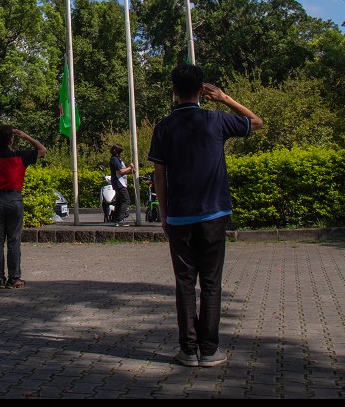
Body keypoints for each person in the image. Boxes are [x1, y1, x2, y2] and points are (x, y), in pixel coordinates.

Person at [147, 63, 263, 368]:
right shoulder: (217, 120)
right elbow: (256, 122)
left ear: (173, 91)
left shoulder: (163, 127)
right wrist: (224, 98)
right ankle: (210, 350)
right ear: (202, 90)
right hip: (214, 213)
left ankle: (188, 350)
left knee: (185, 283)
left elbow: (159, 176)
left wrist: (164, 214)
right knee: (211, 282)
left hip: (179, 216)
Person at [0, 124, 46, 289]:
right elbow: (42, 150)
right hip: (14, 198)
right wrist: (26, 136)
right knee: (14, 240)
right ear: (11, 139)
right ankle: (14, 278)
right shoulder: (20, 156)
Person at [108, 144, 134, 225]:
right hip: (119, 183)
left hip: (119, 182)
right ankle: (120, 218)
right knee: (126, 200)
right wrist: (130, 167)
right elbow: (121, 171)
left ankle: (116, 219)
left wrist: (130, 171)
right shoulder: (114, 160)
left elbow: (122, 172)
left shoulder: (116, 159)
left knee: (119, 201)